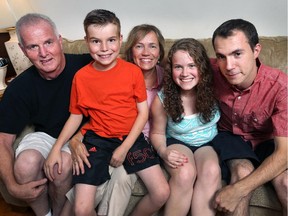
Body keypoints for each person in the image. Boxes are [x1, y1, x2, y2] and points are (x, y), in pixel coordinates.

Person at [44, 9, 169, 216]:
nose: (104, 49)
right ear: (86, 41)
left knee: (162, 192)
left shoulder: (132, 72)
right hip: (97, 141)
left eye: (111, 40)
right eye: (96, 41)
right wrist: (56, 148)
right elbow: (76, 116)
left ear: (120, 39)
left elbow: (142, 114)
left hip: (132, 139)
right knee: (82, 208)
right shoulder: (81, 77)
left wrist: (124, 148)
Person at [0, 13, 92, 216]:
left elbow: (123, 65)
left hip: (79, 136)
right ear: (23, 51)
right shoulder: (19, 87)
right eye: (33, 46)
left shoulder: (87, 65)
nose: (44, 53)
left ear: (59, 41)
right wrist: (13, 186)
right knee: (25, 165)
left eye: (48, 42)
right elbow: (3, 140)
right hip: (45, 135)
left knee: (62, 165)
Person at [211, 19, 288, 216]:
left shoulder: (281, 86)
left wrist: (237, 190)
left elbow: (284, 154)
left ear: (256, 50)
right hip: (229, 136)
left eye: (237, 54)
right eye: (221, 56)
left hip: (267, 140)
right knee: (242, 171)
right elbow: (174, 65)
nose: (228, 66)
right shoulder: (211, 70)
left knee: (286, 183)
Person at [150, 38, 222, 216]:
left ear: (202, 68)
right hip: (178, 141)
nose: (185, 73)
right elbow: (157, 133)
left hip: (208, 143)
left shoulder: (216, 88)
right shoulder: (163, 99)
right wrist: (163, 151)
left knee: (211, 170)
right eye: (178, 67)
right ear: (170, 70)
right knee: (184, 173)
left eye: (192, 65)